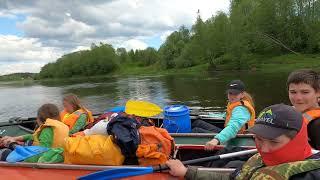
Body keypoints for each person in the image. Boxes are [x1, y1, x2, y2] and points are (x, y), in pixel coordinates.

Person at [166, 104, 320, 179]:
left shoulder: (311, 175)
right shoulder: (263, 158)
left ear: (298, 140)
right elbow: (235, 177)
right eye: (258, 139)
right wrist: (187, 172)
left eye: (274, 141)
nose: (264, 149)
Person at [192, 80, 256, 150]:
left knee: (196, 130)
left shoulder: (241, 109)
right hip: (229, 133)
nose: (232, 96)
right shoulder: (235, 103)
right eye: (230, 93)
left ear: (242, 94)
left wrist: (216, 140)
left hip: (237, 138)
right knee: (197, 122)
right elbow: (226, 115)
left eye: (235, 94)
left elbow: (233, 127)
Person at [0, 104, 69, 148]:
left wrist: (13, 144)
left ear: (40, 119)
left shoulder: (47, 130)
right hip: (55, 155)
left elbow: (41, 151)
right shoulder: (59, 127)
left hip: (44, 159)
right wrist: (15, 138)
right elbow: (33, 136)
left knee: (4, 153)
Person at [287, 69, 320, 149]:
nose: (298, 98)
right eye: (293, 92)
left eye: (305, 92)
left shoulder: (317, 125)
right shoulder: (288, 114)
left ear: (318, 93)